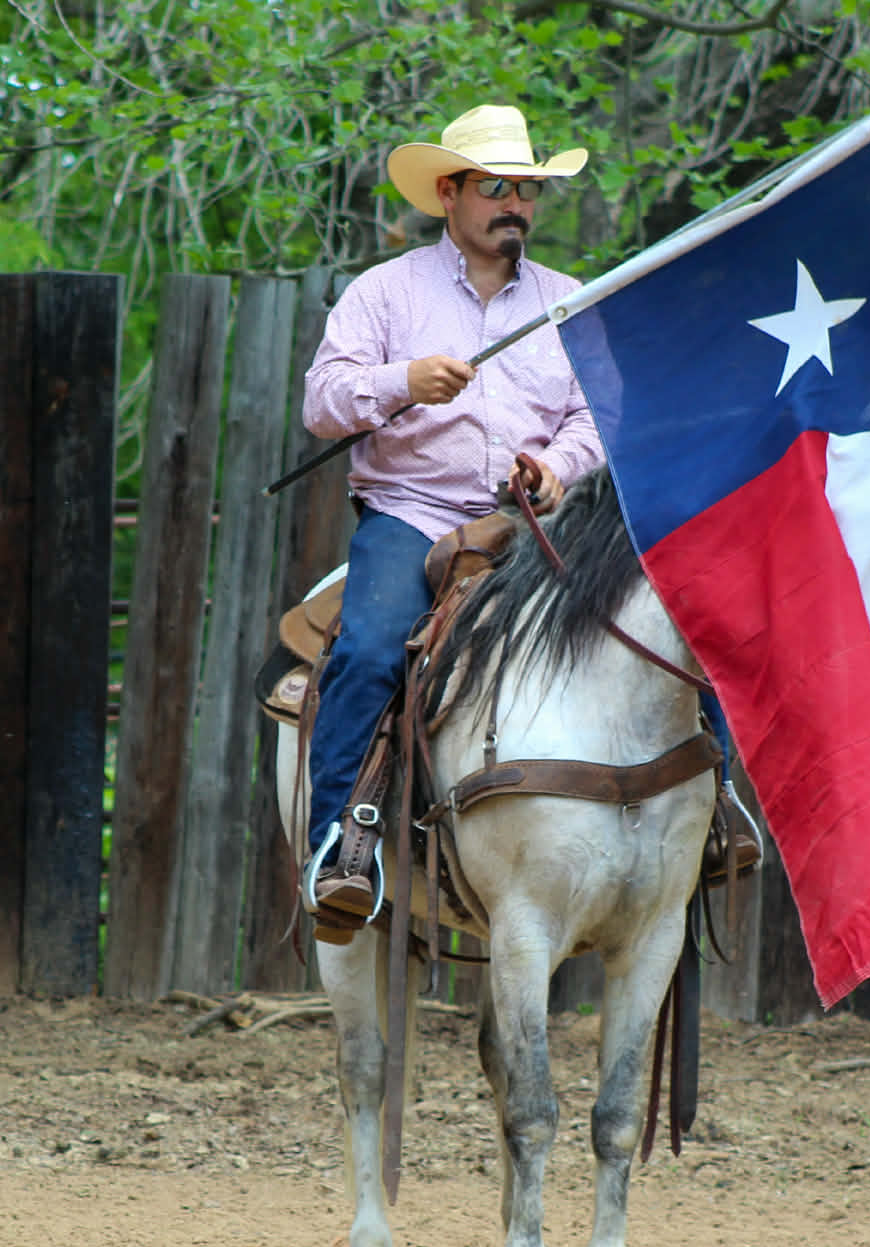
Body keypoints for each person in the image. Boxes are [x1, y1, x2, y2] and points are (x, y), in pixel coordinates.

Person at [300, 104, 758, 936]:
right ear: (449, 193)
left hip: (539, 525)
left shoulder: (568, 302)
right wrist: (404, 381)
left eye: (527, 190)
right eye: (497, 188)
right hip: (414, 517)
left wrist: (556, 468)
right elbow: (323, 403)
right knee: (368, 650)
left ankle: (719, 802)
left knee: (678, 612)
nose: (515, 205)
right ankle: (342, 842)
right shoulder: (385, 293)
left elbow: (596, 418)